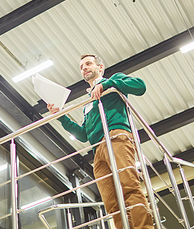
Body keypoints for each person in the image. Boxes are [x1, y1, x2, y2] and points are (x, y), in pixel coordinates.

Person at [47, 54, 153, 229]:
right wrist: (61, 116)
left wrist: (107, 84)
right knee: (111, 202)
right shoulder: (88, 104)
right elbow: (83, 135)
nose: (84, 68)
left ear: (100, 67)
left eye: (88, 64)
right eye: (81, 67)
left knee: (129, 186)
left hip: (116, 137)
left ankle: (144, 227)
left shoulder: (114, 79)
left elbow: (140, 86)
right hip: (97, 151)